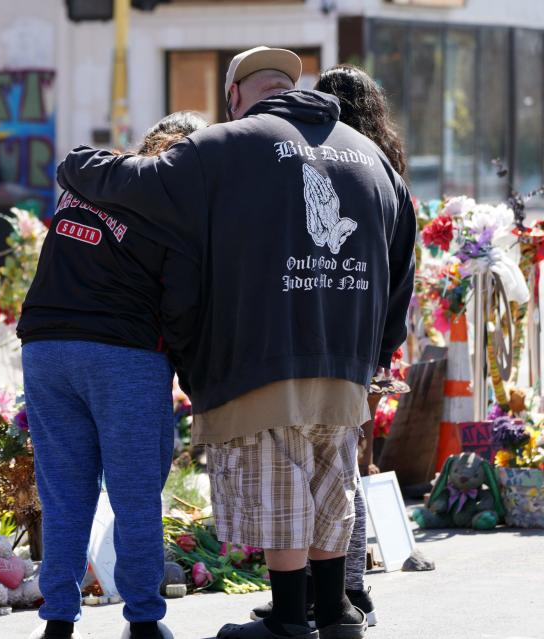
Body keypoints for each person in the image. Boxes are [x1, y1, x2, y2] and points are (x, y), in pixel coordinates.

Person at [58, 46, 417, 639]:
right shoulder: (370, 156)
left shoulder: (229, 144)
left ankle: (286, 621)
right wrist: (379, 348)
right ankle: (333, 612)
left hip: (260, 354)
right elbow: (403, 257)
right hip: (346, 360)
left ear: (235, 96)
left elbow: (132, 182)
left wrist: (76, 162)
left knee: (279, 486)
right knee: (331, 485)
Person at [17, 111, 208, 639]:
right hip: (124, 355)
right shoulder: (180, 211)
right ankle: (144, 620)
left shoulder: (91, 178)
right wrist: (194, 377)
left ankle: (58, 618)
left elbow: (70, 161)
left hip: (47, 349)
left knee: (63, 491)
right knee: (134, 493)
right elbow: (183, 308)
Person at [249, 63, 410, 630]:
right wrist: (382, 352)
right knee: (344, 469)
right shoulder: (381, 167)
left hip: (316, 343)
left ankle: (334, 597)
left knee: (314, 475)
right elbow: (398, 275)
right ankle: (343, 595)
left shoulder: (323, 160)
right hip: (358, 347)